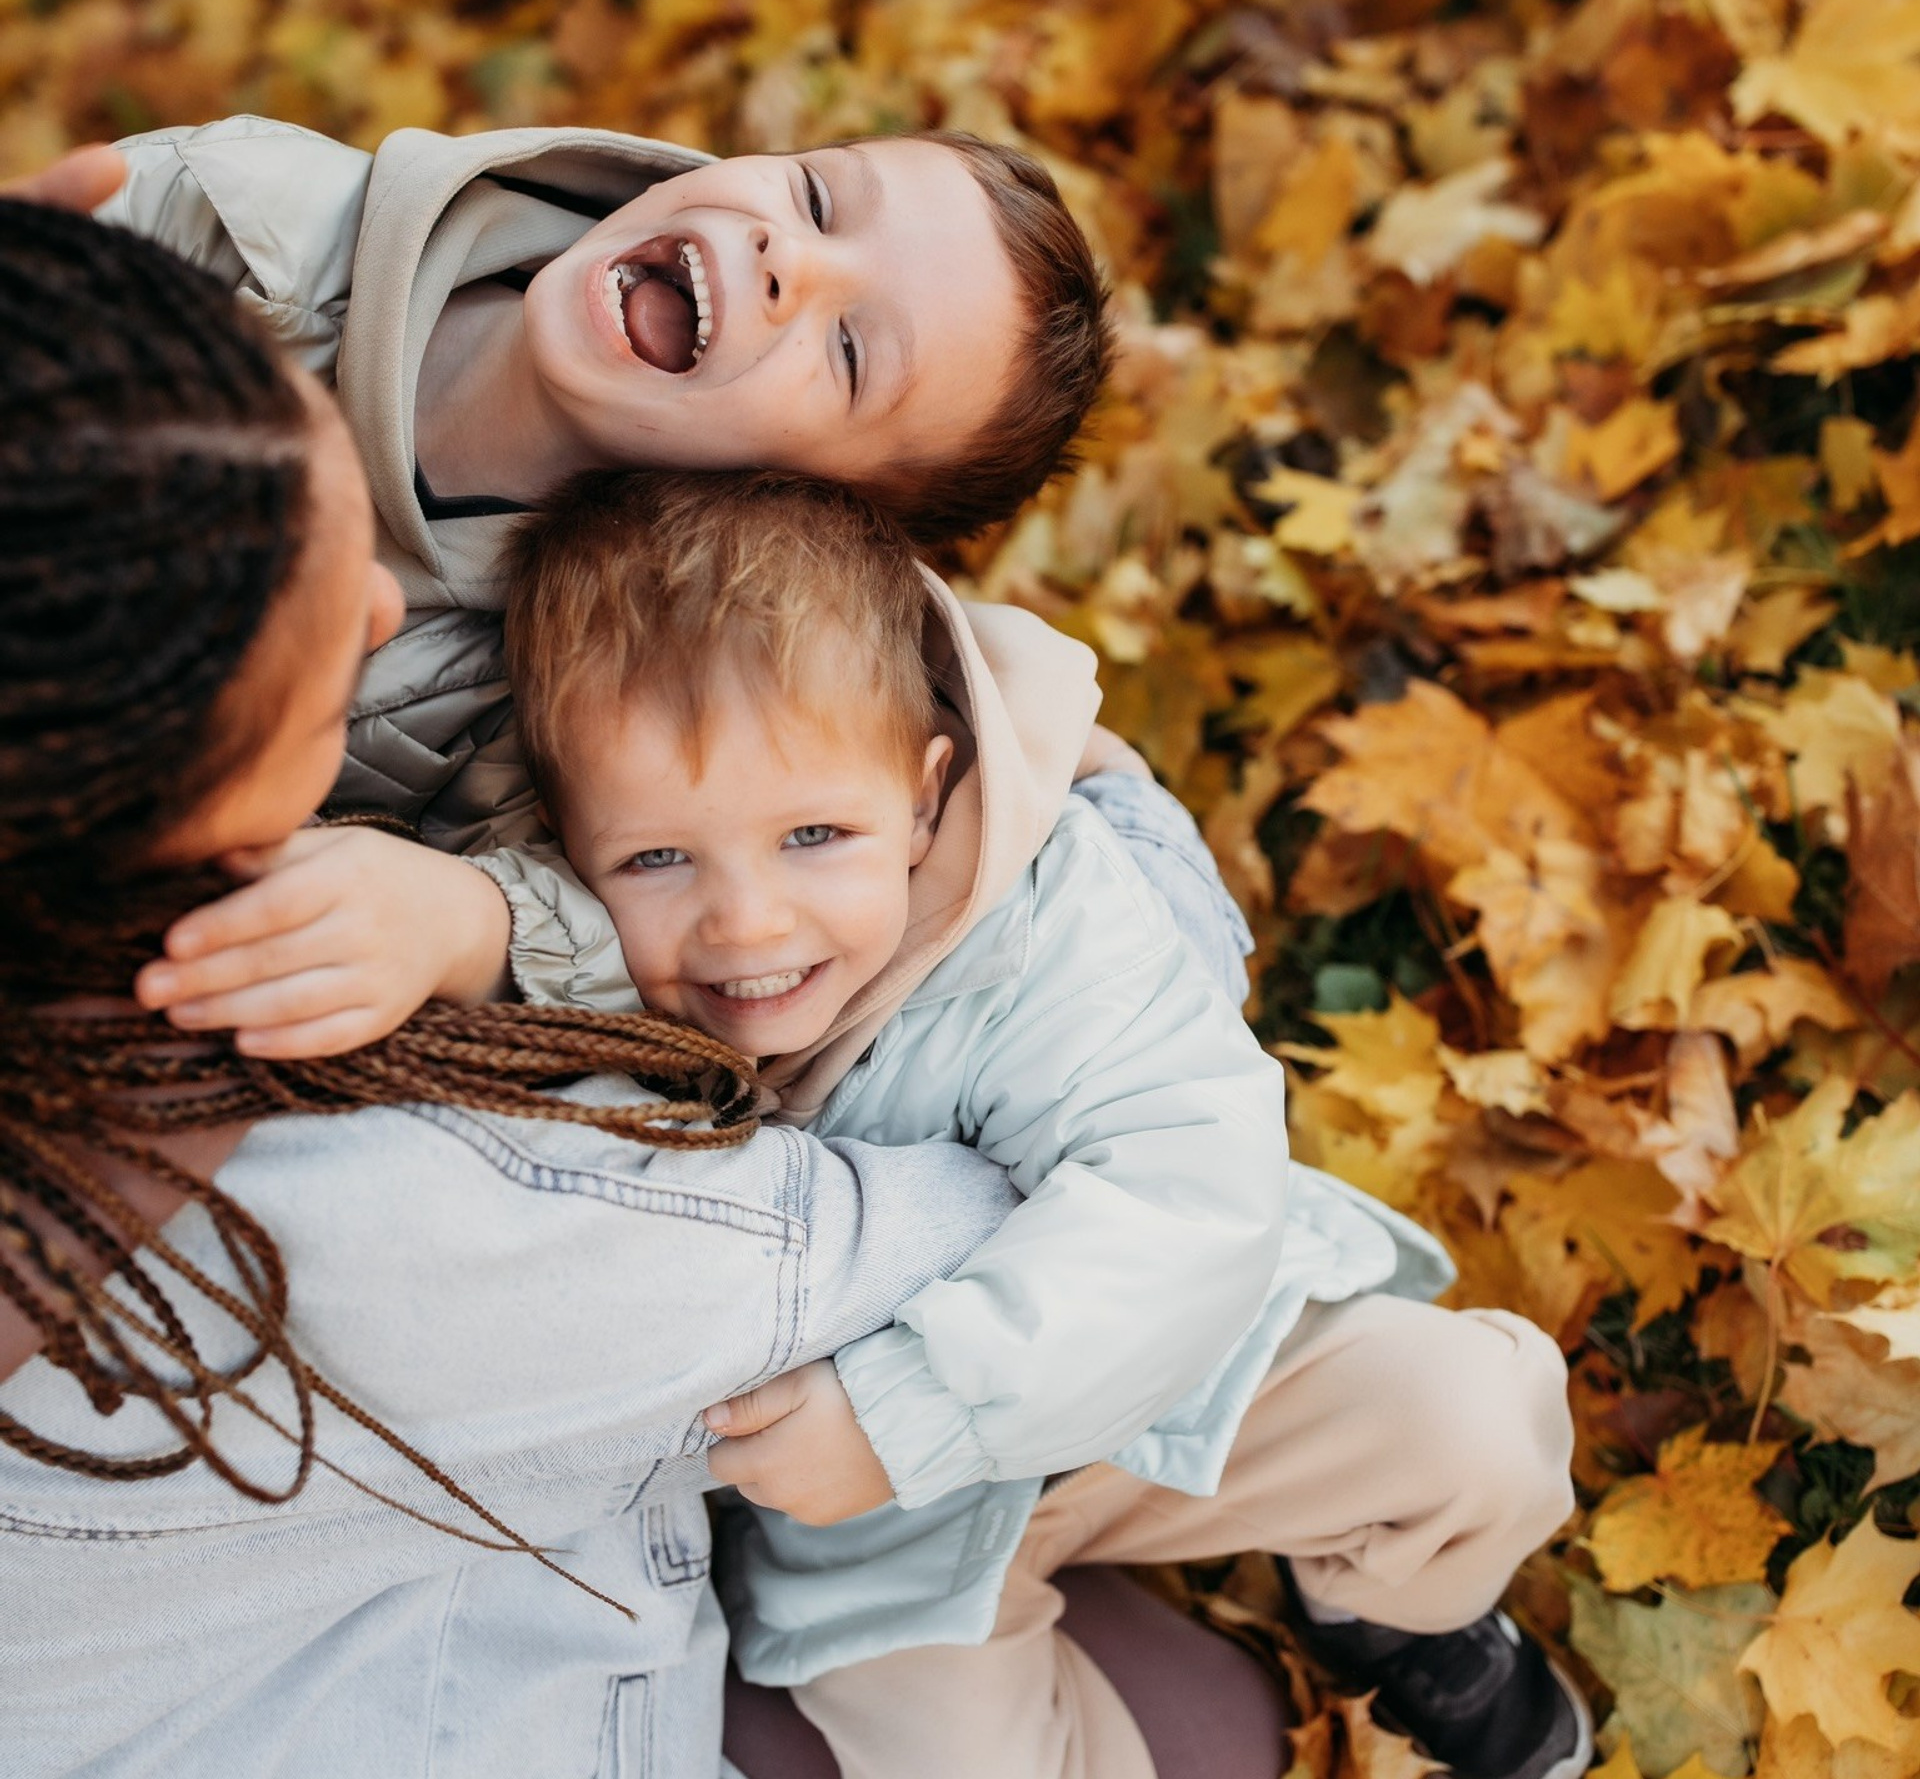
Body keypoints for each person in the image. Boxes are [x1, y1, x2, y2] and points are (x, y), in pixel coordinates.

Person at [308, 466, 1592, 1779]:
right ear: (576, 846)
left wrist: (908, 1408)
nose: (746, 921)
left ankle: (1387, 1610)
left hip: (1134, 1385)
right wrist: (459, 926)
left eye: (815, 833)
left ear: (925, 795)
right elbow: (532, 965)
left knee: (1470, 1423)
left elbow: (1184, 1197)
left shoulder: (1041, 917)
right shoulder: (598, 969)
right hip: (876, 1531)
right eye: (656, 859)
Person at [0, 198, 1034, 1778]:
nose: (385, 611)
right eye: (319, 636)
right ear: (149, 794)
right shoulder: (424, 1202)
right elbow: (974, 1222)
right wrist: (1063, 791)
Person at [98, 109, 1121, 1059]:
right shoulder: (245, 216)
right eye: (816, 199)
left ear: (799, 503)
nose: (787, 258)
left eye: (848, 351)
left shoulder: (588, 685)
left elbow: (642, 929)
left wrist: (469, 923)